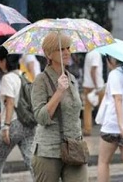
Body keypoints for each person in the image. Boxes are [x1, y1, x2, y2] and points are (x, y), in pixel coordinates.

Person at [31, 32, 87, 181]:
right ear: (49, 54)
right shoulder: (40, 80)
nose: (67, 52)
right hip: (48, 151)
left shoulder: (72, 79)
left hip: (74, 148)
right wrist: (59, 91)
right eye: (61, 49)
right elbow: (41, 117)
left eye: (68, 48)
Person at [0, 48, 35, 179]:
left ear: (4, 61)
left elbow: (10, 102)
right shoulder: (23, 75)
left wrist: (5, 126)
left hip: (13, 125)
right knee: (31, 162)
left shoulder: (7, 78)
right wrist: (0, 116)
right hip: (28, 124)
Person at [82, 49, 105, 136]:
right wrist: (96, 85)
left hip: (87, 84)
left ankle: (87, 129)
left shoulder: (88, 54)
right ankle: (106, 128)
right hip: (97, 85)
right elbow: (93, 70)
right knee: (103, 107)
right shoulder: (96, 54)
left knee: (87, 108)